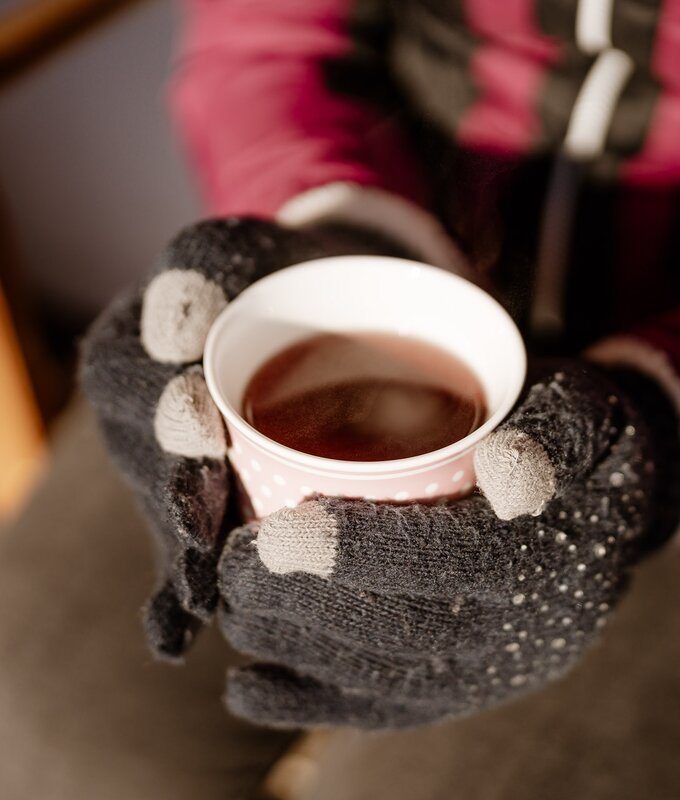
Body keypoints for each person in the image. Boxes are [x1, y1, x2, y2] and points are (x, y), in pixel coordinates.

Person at [82, 0, 679, 732]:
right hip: (396, 211)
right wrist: (336, 228)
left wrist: (656, 428)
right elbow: (264, 37)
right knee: (55, 711)